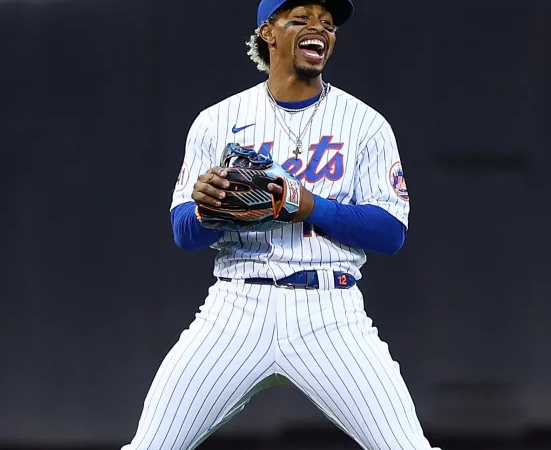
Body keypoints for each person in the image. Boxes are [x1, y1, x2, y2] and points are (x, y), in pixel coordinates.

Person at [120, 1, 441, 449]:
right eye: (302, 18)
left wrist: (310, 206)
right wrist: (209, 209)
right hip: (236, 308)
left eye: (328, 23)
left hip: (330, 312)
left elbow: (391, 233)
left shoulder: (365, 125)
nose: (319, 29)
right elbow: (184, 234)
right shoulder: (217, 121)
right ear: (268, 32)